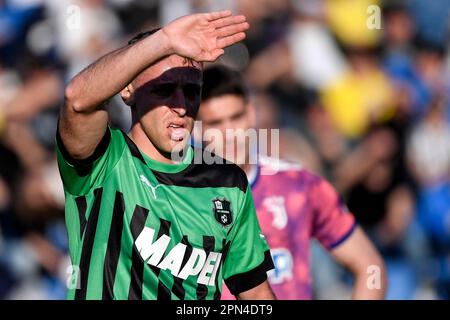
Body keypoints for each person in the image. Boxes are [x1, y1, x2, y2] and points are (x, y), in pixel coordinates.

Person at [56, 11, 276, 300]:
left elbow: (256, 296)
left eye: (191, 91)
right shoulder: (104, 160)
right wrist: (165, 41)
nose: (181, 106)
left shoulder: (228, 182)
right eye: (165, 90)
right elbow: (78, 100)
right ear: (128, 89)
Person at [197, 65, 387, 299]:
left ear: (251, 114)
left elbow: (371, 266)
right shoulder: (181, 199)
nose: (229, 133)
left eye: (236, 117)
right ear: (197, 130)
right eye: (215, 123)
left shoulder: (300, 185)